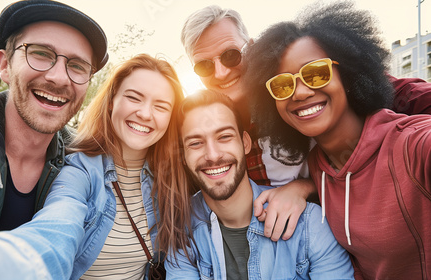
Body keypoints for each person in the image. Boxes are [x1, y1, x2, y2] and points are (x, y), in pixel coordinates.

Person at [180, 4, 431, 242]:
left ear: (252, 47)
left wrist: (304, 188)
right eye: (203, 66)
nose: (221, 72)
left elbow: (396, 93)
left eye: (231, 56)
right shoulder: (201, 128)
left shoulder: (305, 87)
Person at [0, 53, 190, 280]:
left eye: (161, 106)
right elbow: (58, 229)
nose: (146, 113)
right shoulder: (80, 168)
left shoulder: (175, 178)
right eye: (134, 98)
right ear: (112, 101)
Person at [244, 2, 431, 279]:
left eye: (316, 73)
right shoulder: (318, 166)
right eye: (283, 85)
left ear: (349, 74)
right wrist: (302, 187)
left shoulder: (411, 145)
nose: (301, 92)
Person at [0, 0, 109, 230]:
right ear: (5, 65)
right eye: (41, 53)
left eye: (77, 66)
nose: (59, 77)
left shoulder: (85, 163)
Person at [165, 90, 354, 279]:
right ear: (183, 156)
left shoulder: (309, 224)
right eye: (196, 143)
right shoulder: (181, 230)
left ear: (245, 143)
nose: (213, 155)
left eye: (224, 137)